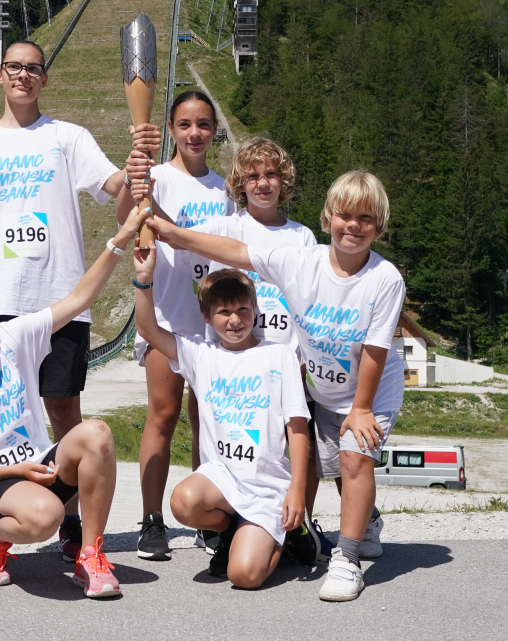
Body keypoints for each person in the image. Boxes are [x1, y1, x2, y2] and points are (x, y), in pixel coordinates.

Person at [145, 170, 406, 602]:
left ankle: (347, 558)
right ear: (327, 218)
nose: (354, 226)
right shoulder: (300, 262)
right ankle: (337, 525)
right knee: (325, 468)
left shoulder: (385, 278)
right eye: (345, 215)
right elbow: (237, 251)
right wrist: (174, 234)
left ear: (379, 226)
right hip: (324, 383)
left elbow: (376, 351)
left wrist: (361, 408)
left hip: (371, 387)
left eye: (366, 218)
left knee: (354, 457)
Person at [0, 40, 158, 560]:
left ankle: (71, 518)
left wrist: (134, 166)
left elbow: (114, 190)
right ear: (0, 75)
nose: (23, 75)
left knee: (64, 409)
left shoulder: (67, 137)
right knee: (0, 417)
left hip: (61, 298)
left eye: (33, 68)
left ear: (45, 78)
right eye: (14, 67)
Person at [0, 205, 150, 598]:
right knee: (47, 517)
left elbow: (79, 298)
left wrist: (121, 239)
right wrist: (15, 471)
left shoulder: (12, 337)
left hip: (39, 466)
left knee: (97, 434)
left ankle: (90, 556)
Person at [132, 258, 310, 588]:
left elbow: (297, 427)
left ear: (255, 310)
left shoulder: (279, 355)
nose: (235, 320)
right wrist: (144, 279)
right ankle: (230, 531)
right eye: (224, 312)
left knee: (244, 576)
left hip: (265, 487)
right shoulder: (201, 354)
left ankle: (286, 536)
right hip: (222, 480)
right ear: (207, 317)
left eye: (243, 310)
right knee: (183, 502)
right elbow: (148, 329)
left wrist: (297, 490)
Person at [185, 137, 321, 561]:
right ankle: (230, 523)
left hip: (285, 357)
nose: (263, 183)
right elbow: (210, 286)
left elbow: (308, 302)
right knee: (222, 440)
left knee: (296, 442)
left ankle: (298, 522)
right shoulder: (226, 228)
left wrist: (305, 354)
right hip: (235, 360)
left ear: (284, 180)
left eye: (271, 174)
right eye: (253, 176)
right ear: (240, 183)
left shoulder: (302, 236)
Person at [118, 89, 234, 560]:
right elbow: (127, 217)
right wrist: (133, 179)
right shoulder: (157, 178)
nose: (194, 133)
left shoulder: (226, 190)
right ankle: (152, 520)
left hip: (216, 326)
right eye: (184, 124)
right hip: (168, 318)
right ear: (170, 129)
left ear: (214, 131)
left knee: (207, 419)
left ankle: (207, 516)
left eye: (203, 124)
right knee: (162, 416)